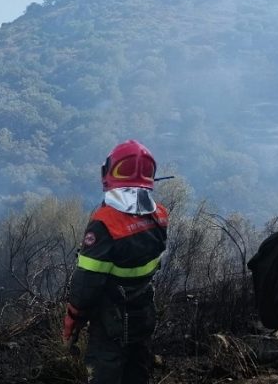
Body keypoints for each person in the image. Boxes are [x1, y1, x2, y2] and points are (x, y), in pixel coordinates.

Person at [62, 139, 169, 384]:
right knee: (137, 370)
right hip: (143, 313)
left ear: (110, 172)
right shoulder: (160, 216)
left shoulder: (106, 223)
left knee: (105, 373)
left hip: (111, 322)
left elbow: (87, 282)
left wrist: (73, 317)